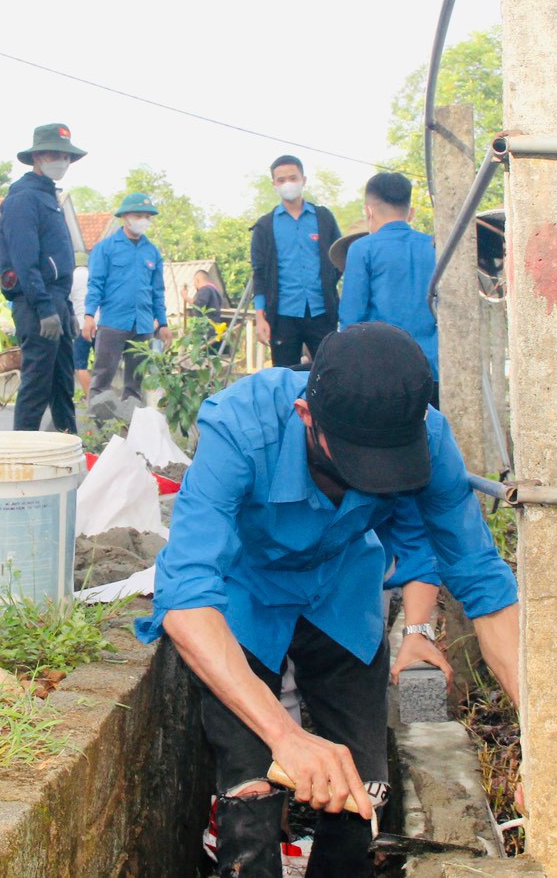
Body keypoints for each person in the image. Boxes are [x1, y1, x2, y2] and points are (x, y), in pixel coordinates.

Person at [135, 323, 520, 878]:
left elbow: (481, 579)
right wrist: (287, 738)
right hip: (246, 597)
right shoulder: (241, 426)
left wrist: (544, 736)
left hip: (341, 592)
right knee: (251, 789)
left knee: (362, 796)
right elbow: (186, 597)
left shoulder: (431, 436)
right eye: (363, 462)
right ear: (306, 417)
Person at [0, 123, 86, 433]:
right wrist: (46, 308)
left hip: (56, 301)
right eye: (54, 155)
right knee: (37, 385)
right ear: (37, 157)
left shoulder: (50, 197)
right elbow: (24, 261)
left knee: (62, 385)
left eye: (65, 156)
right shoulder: (23, 199)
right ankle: (22, 455)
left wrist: (65, 311)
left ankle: (67, 449)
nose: (61, 161)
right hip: (36, 303)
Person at [338, 172, 440, 407]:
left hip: (381, 371)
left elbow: (351, 319)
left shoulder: (362, 249)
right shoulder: (436, 246)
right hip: (432, 368)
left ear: (368, 211)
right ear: (410, 212)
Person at [81, 192, 171, 410]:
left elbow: (157, 291)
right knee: (102, 376)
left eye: (147, 216)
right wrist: (89, 315)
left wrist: (164, 322)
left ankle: (130, 426)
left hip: (143, 325)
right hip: (113, 323)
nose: (143, 221)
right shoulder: (106, 248)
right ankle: (96, 425)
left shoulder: (152, 252)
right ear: (125, 217)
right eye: (138, 215)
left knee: (136, 382)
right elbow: (96, 284)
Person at [250, 155, 342, 367]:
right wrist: (260, 317)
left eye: (292, 178)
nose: (287, 184)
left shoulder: (323, 217)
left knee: (330, 372)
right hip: (283, 315)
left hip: (321, 311)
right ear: (274, 184)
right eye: (281, 180)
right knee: (284, 376)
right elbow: (260, 273)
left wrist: (327, 284)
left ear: (303, 179)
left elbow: (338, 258)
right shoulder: (265, 225)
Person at [70, 254, 93, 392]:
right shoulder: (94, 275)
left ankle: (90, 398)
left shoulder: (71, 277)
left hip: (80, 325)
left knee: (80, 365)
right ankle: (102, 398)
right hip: (100, 324)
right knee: (102, 365)